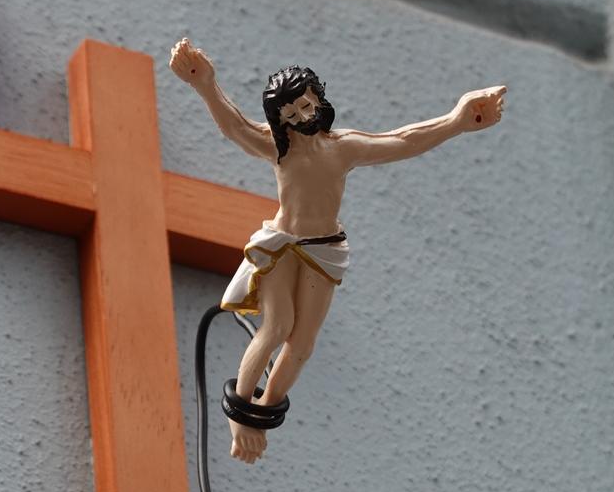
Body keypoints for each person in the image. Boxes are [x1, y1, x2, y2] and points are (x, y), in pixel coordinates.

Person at [169, 40, 506, 462]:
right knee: (277, 327)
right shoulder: (280, 148)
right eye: (291, 114)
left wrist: (456, 121)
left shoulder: (342, 147)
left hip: (324, 249)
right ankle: (240, 412)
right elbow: (236, 127)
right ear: (280, 119)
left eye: (306, 106)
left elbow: (402, 140)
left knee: (302, 343)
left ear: (318, 98)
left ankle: (262, 413)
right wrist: (205, 84)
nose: (302, 117)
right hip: (282, 244)